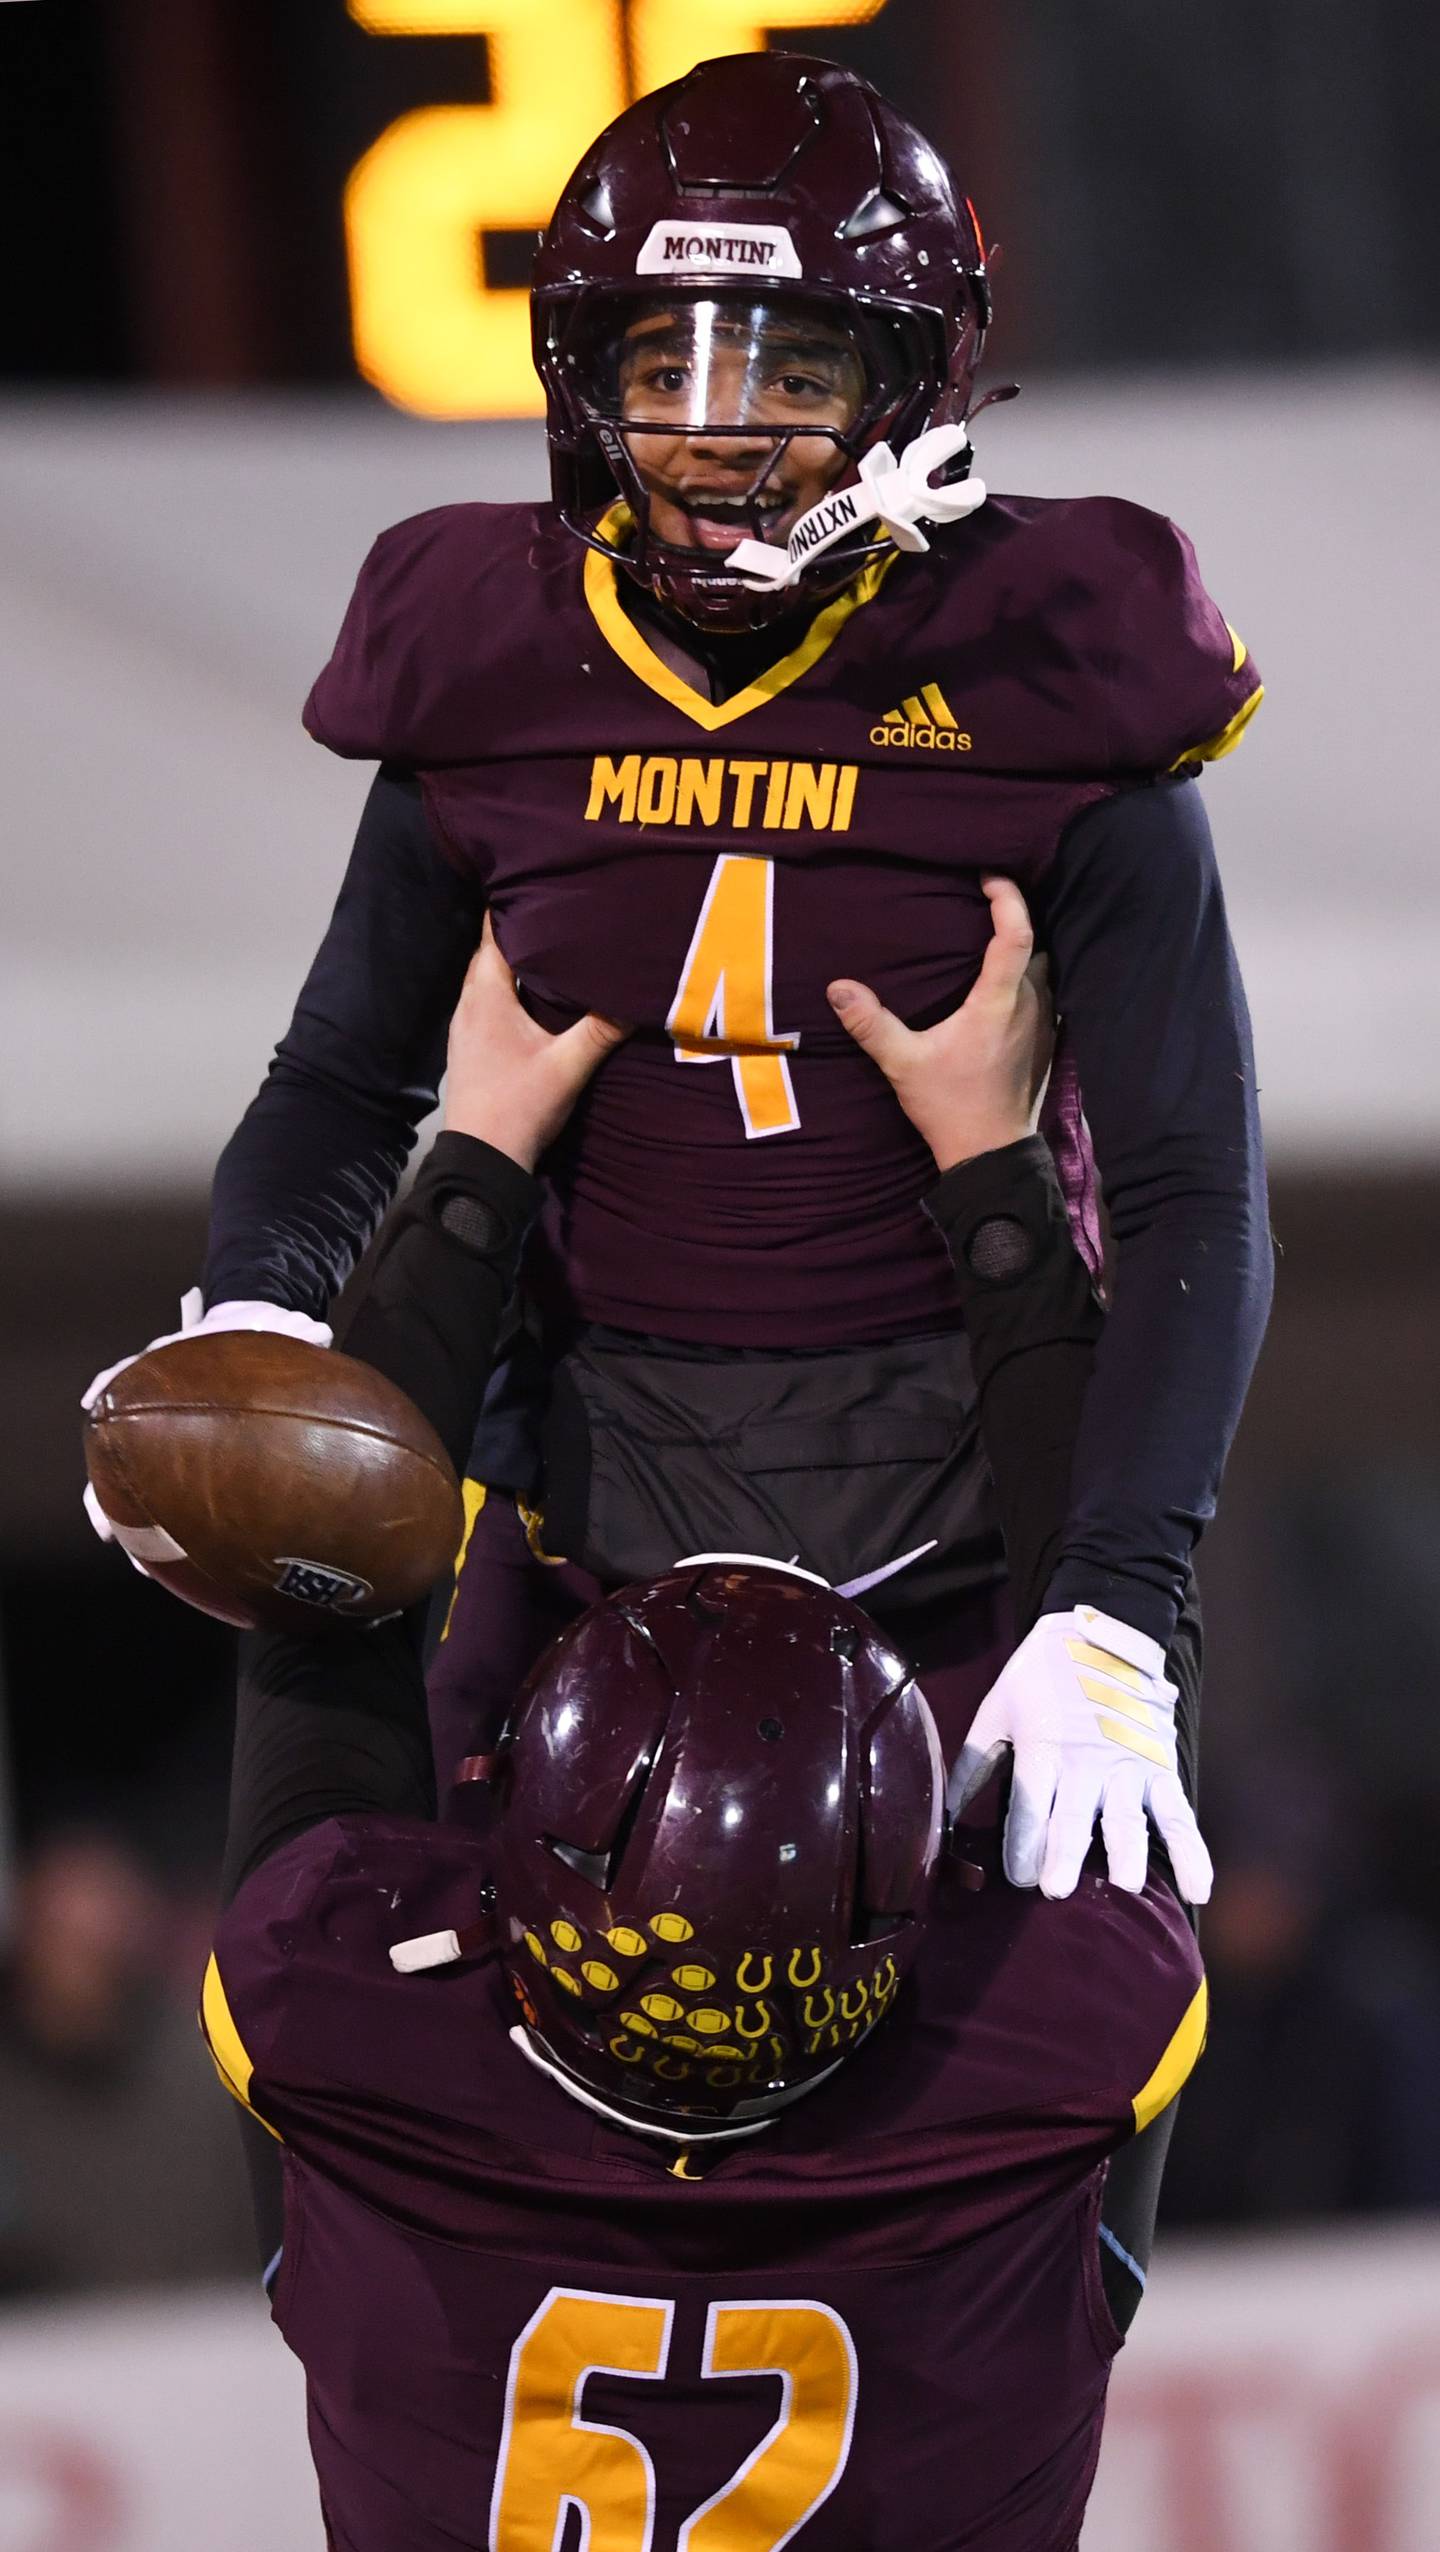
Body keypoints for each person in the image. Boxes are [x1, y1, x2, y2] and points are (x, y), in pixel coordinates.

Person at [92, 52, 1270, 1904]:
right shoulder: (486, 653)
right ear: (590, 384)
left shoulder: (1056, 652)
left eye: (790, 372)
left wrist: (1118, 1603)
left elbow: (1197, 1182)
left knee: (1054, 2031)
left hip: (964, 1502)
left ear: (911, 384)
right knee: (356, 1980)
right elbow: (339, 1079)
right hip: (576, 1507)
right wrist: (259, 1310)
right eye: (667, 368)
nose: (720, 429)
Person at [204, 905, 1205, 2551]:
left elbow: (333, 1629)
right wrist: (479, 1160)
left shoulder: (342, 2028)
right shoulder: (335, 2041)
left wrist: (996, 1188)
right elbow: (326, 1630)